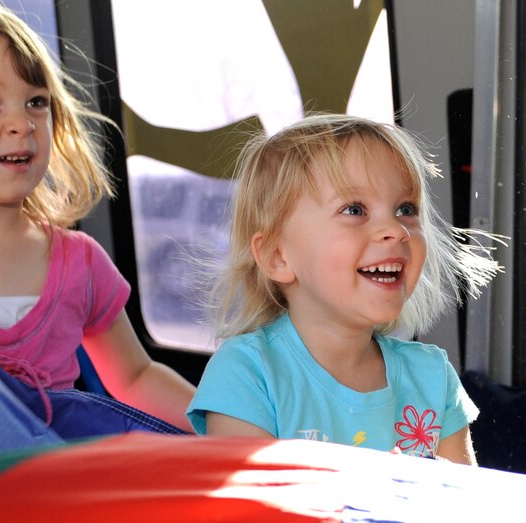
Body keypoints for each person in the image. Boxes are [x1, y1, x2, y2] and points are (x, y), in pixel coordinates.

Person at [0, 0, 196, 449]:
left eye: (36, 102)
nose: (21, 123)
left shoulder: (79, 262)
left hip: (54, 488)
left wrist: (230, 427)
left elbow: (136, 375)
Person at [187, 114, 502, 464]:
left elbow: (463, 509)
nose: (396, 231)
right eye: (354, 210)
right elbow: (254, 511)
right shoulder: (247, 373)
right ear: (278, 257)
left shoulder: (431, 376)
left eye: (405, 209)